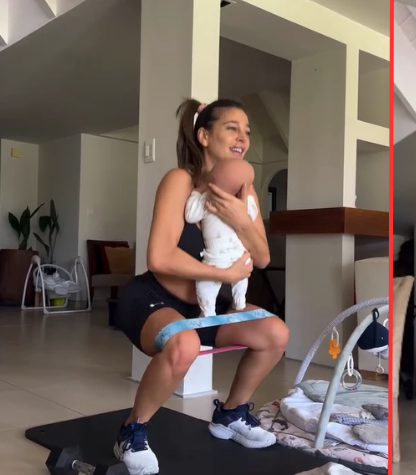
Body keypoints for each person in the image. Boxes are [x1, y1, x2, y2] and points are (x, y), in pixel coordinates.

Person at [113, 98, 290, 475]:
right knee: (185, 344)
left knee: (275, 333)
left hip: (206, 310)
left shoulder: (245, 191)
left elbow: (261, 257)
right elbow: (159, 257)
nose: (243, 137)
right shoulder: (181, 181)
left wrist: (241, 220)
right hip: (154, 299)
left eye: (247, 131)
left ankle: (230, 415)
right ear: (204, 136)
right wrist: (223, 275)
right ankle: (132, 431)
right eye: (232, 128)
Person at [185, 156, 258, 317]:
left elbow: (190, 216)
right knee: (241, 281)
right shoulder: (247, 202)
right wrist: (244, 211)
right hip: (240, 256)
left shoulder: (208, 199)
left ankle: (207, 311)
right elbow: (252, 216)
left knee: (206, 286)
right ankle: (239, 302)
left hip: (216, 257)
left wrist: (197, 192)